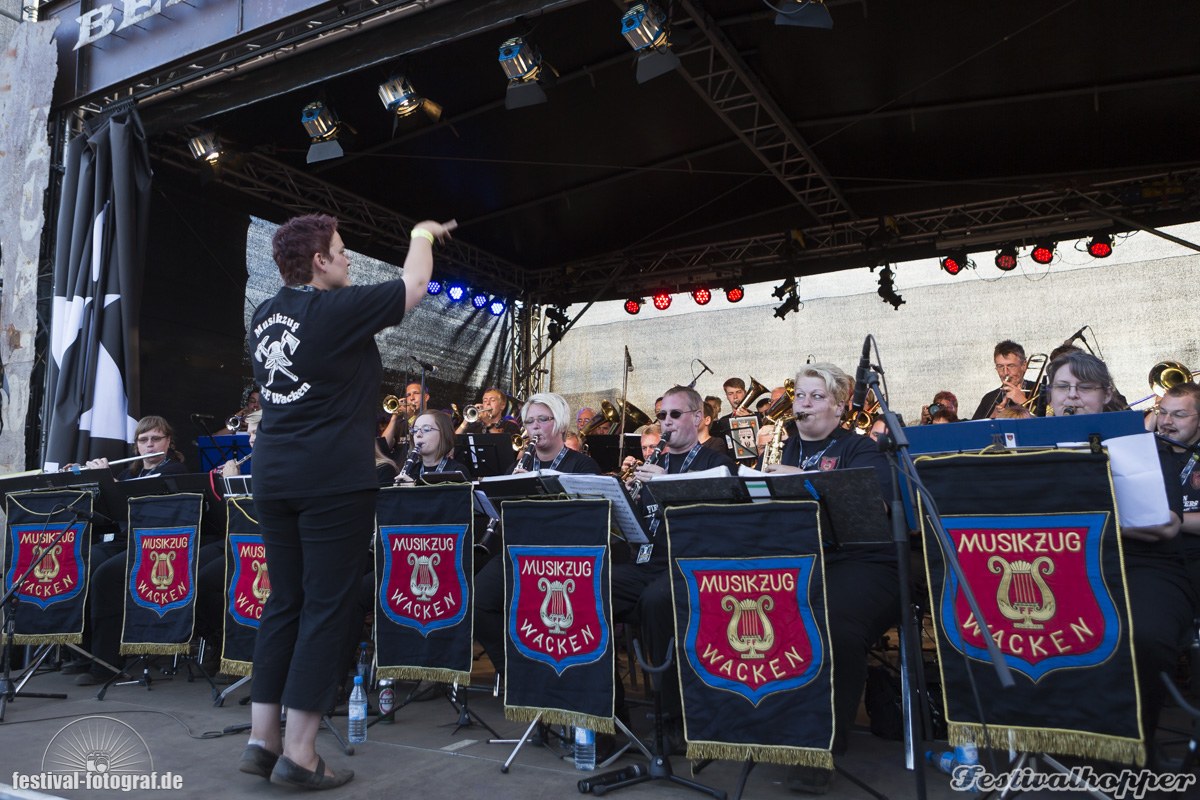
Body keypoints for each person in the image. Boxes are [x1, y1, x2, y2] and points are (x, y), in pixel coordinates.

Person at [240, 212, 455, 790]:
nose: (348, 259)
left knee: (284, 600)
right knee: (326, 607)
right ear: (318, 262)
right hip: (330, 476)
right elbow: (413, 287)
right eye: (340, 250)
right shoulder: (332, 309)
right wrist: (422, 235)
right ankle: (302, 753)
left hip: (275, 474)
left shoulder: (264, 315)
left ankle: (263, 739)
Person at [1047, 351, 1193, 763]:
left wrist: (1098, 524)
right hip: (1064, 563)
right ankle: (1061, 739)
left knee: (1141, 634)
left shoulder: (1144, 442)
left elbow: (1166, 525)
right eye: (1063, 387)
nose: (1071, 397)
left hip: (1143, 563)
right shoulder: (1033, 445)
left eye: (1084, 387)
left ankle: (1130, 747)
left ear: (1107, 393)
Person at [761, 364, 898, 794]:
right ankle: (769, 725)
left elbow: (876, 503)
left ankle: (822, 745)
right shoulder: (787, 449)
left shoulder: (861, 448)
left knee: (833, 624)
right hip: (810, 560)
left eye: (816, 397)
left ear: (840, 406)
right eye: (800, 396)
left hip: (867, 563)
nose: (804, 404)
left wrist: (801, 479)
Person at [612, 386, 737, 747]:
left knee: (657, 601)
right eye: (662, 416)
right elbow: (634, 525)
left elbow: (720, 519)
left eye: (674, 415)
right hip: (646, 563)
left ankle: (676, 717)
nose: (666, 422)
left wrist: (665, 484)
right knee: (589, 585)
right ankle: (607, 710)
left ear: (697, 418)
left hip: (691, 565)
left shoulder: (715, 463)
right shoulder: (656, 463)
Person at [472, 393, 601, 672]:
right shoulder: (519, 466)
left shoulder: (581, 465)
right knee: (478, 602)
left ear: (560, 423)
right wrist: (509, 489)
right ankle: (514, 670)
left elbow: (589, 521)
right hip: (520, 553)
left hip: (563, 560)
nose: (536, 427)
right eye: (530, 422)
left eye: (543, 419)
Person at [75, 416, 191, 686]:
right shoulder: (130, 473)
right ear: (136, 445)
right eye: (143, 440)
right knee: (82, 564)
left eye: (156, 439)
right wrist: (90, 481)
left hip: (158, 546)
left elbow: (140, 505)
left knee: (106, 576)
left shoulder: (174, 471)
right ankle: (83, 653)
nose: (150, 445)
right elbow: (110, 515)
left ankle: (106, 664)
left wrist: (107, 480)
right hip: (127, 539)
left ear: (168, 441)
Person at [1154, 381, 1200, 599]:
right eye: (1162, 412)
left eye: (1179, 415)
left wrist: (1169, 520)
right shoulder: (1148, 451)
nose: (1166, 422)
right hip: (1157, 560)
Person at [393, 410, 473, 483]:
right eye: (415, 430)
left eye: (426, 429)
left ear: (443, 434)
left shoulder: (457, 471)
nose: (418, 434)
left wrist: (415, 489)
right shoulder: (412, 471)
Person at [970, 340, 1042, 420]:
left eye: (1011, 366)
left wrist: (1023, 401)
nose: (1005, 373)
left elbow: (1050, 424)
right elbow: (974, 430)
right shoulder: (989, 398)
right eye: (1000, 366)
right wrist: (993, 416)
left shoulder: (1043, 391)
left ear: (1024, 366)